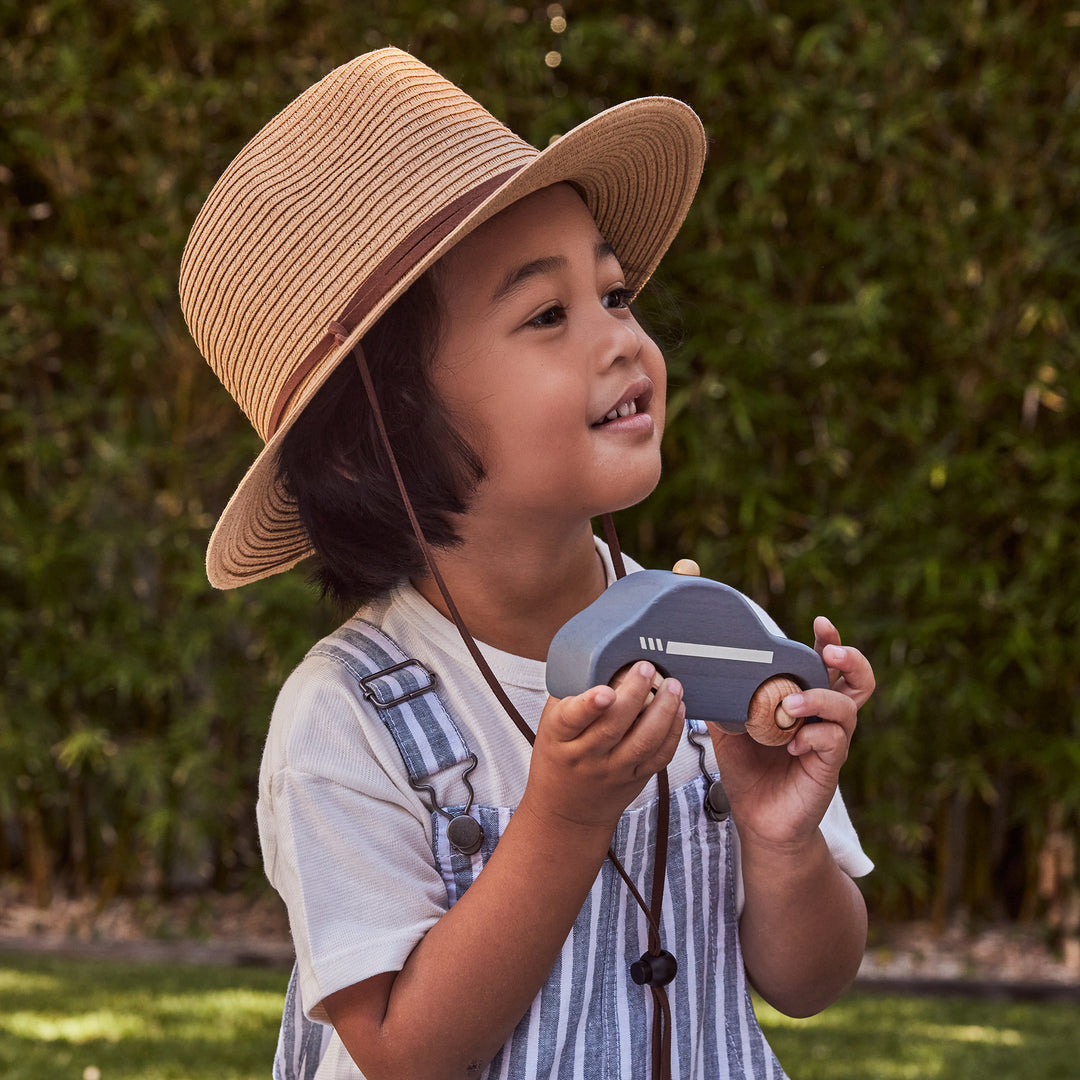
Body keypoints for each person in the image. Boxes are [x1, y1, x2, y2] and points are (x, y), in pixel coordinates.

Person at [179, 48, 875, 1080]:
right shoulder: (344, 720)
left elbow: (811, 980)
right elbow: (403, 1051)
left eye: (615, 294)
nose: (622, 339)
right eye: (548, 315)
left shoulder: (715, 636)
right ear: (383, 434)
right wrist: (563, 817)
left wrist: (783, 841)